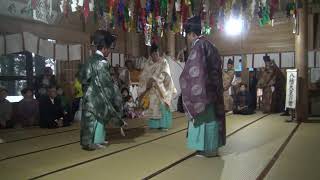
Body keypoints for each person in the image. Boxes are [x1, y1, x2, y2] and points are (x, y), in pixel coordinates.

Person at [180, 16, 226, 157]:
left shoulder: (198, 45)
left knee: (202, 120)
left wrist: (184, 79)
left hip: (202, 91)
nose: (187, 39)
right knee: (212, 119)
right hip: (213, 90)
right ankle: (212, 148)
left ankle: (204, 149)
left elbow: (195, 70)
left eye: (187, 35)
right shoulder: (211, 45)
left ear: (192, 34)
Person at [79, 30, 125, 151]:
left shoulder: (89, 60)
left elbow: (82, 77)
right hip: (98, 96)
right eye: (109, 49)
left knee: (91, 120)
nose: (109, 52)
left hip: (88, 95)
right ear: (104, 48)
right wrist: (116, 95)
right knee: (98, 120)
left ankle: (91, 141)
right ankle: (94, 142)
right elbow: (107, 83)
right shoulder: (102, 62)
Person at [138, 43, 177, 130]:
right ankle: (154, 125)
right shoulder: (148, 64)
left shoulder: (164, 62)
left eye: (156, 54)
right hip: (151, 88)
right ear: (150, 55)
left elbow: (165, 74)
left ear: (159, 53)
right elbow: (144, 75)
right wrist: (147, 83)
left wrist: (154, 79)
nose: (155, 56)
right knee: (151, 105)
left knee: (162, 104)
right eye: (153, 54)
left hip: (161, 88)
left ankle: (164, 125)